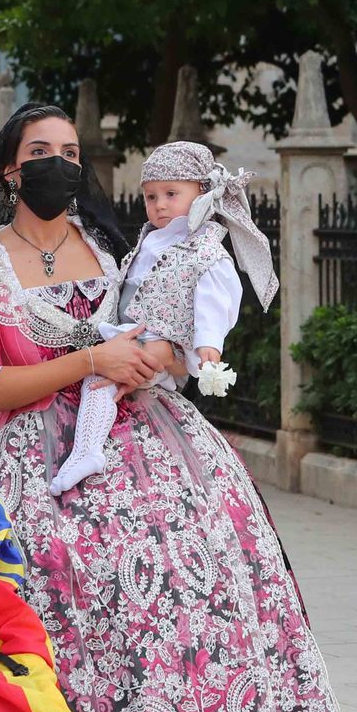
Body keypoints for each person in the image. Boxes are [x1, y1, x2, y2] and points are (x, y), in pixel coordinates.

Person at [0, 103, 357, 712]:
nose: (59, 162)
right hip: (41, 459)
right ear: (8, 171)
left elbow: (174, 318)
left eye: (71, 149)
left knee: (207, 592)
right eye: (40, 152)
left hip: (154, 437)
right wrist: (89, 358)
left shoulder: (116, 244)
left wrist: (157, 354)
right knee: (88, 601)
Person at [48, 141, 267, 495]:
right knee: (101, 376)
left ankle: (87, 450)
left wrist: (208, 346)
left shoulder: (205, 248)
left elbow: (213, 299)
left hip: (163, 342)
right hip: (134, 334)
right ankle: (87, 448)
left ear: (202, 194)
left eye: (170, 194)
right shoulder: (151, 239)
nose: (160, 205)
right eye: (151, 197)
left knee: (100, 379)